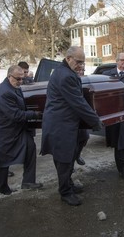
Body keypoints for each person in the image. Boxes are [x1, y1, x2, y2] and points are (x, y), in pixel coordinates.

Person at [41, 46, 103, 206]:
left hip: (64, 123)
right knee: (64, 160)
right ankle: (65, 192)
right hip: (60, 125)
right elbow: (78, 103)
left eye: (83, 62)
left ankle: (68, 185)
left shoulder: (63, 71)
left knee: (69, 155)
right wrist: (95, 120)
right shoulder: (66, 76)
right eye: (78, 62)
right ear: (68, 58)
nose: (81, 66)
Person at [0, 65, 43, 195]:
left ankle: (28, 182)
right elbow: (15, 115)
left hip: (16, 129)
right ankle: (2, 188)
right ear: (9, 76)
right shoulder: (4, 92)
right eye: (18, 79)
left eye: (22, 79)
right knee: (2, 159)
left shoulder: (13, 86)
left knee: (30, 148)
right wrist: (35, 114)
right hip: (4, 131)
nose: (21, 82)